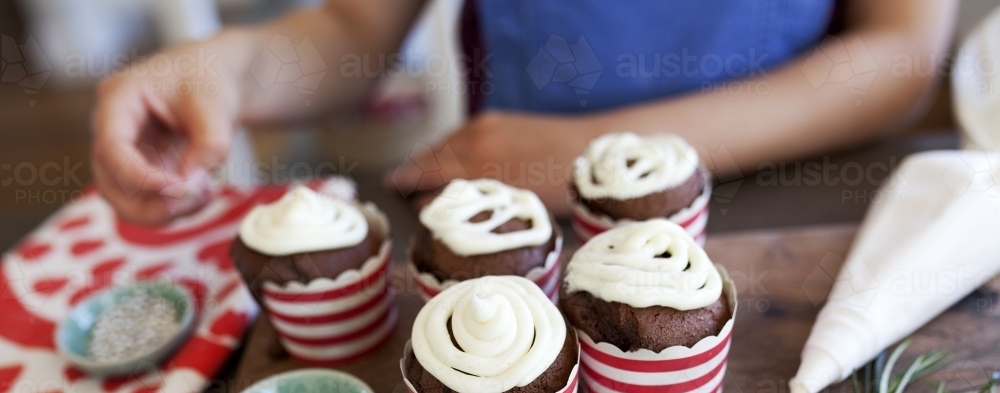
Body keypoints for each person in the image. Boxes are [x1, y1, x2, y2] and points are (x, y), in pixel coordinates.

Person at [91, 0, 957, 225]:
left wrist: (597, 151)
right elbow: (352, 33)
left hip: (790, 201)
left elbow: (900, 59)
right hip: (525, 222)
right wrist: (232, 69)